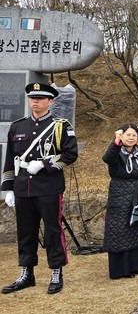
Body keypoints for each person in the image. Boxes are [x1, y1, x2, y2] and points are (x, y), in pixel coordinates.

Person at [1, 82, 78, 295]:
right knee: (25, 232)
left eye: (41, 98)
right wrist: (8, 188)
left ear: (50, 101)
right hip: (23, 188)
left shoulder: (61, 125)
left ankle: (56, 271)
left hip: (49, 187)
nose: (35, 101)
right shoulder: (18, 126)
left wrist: (45, 164)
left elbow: (71, 154)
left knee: (53, 231)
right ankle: (27, 273)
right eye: (32, 98)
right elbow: (10, 160)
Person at [103, 124, 138, 279]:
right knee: (120, 231)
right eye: (128, 135)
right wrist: (116, 141)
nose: (131, 138)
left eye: (134, 135)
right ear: (122, 136)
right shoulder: (116, 152)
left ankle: (137, 265)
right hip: (120, 196)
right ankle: (122, 269)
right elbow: (107, 158)